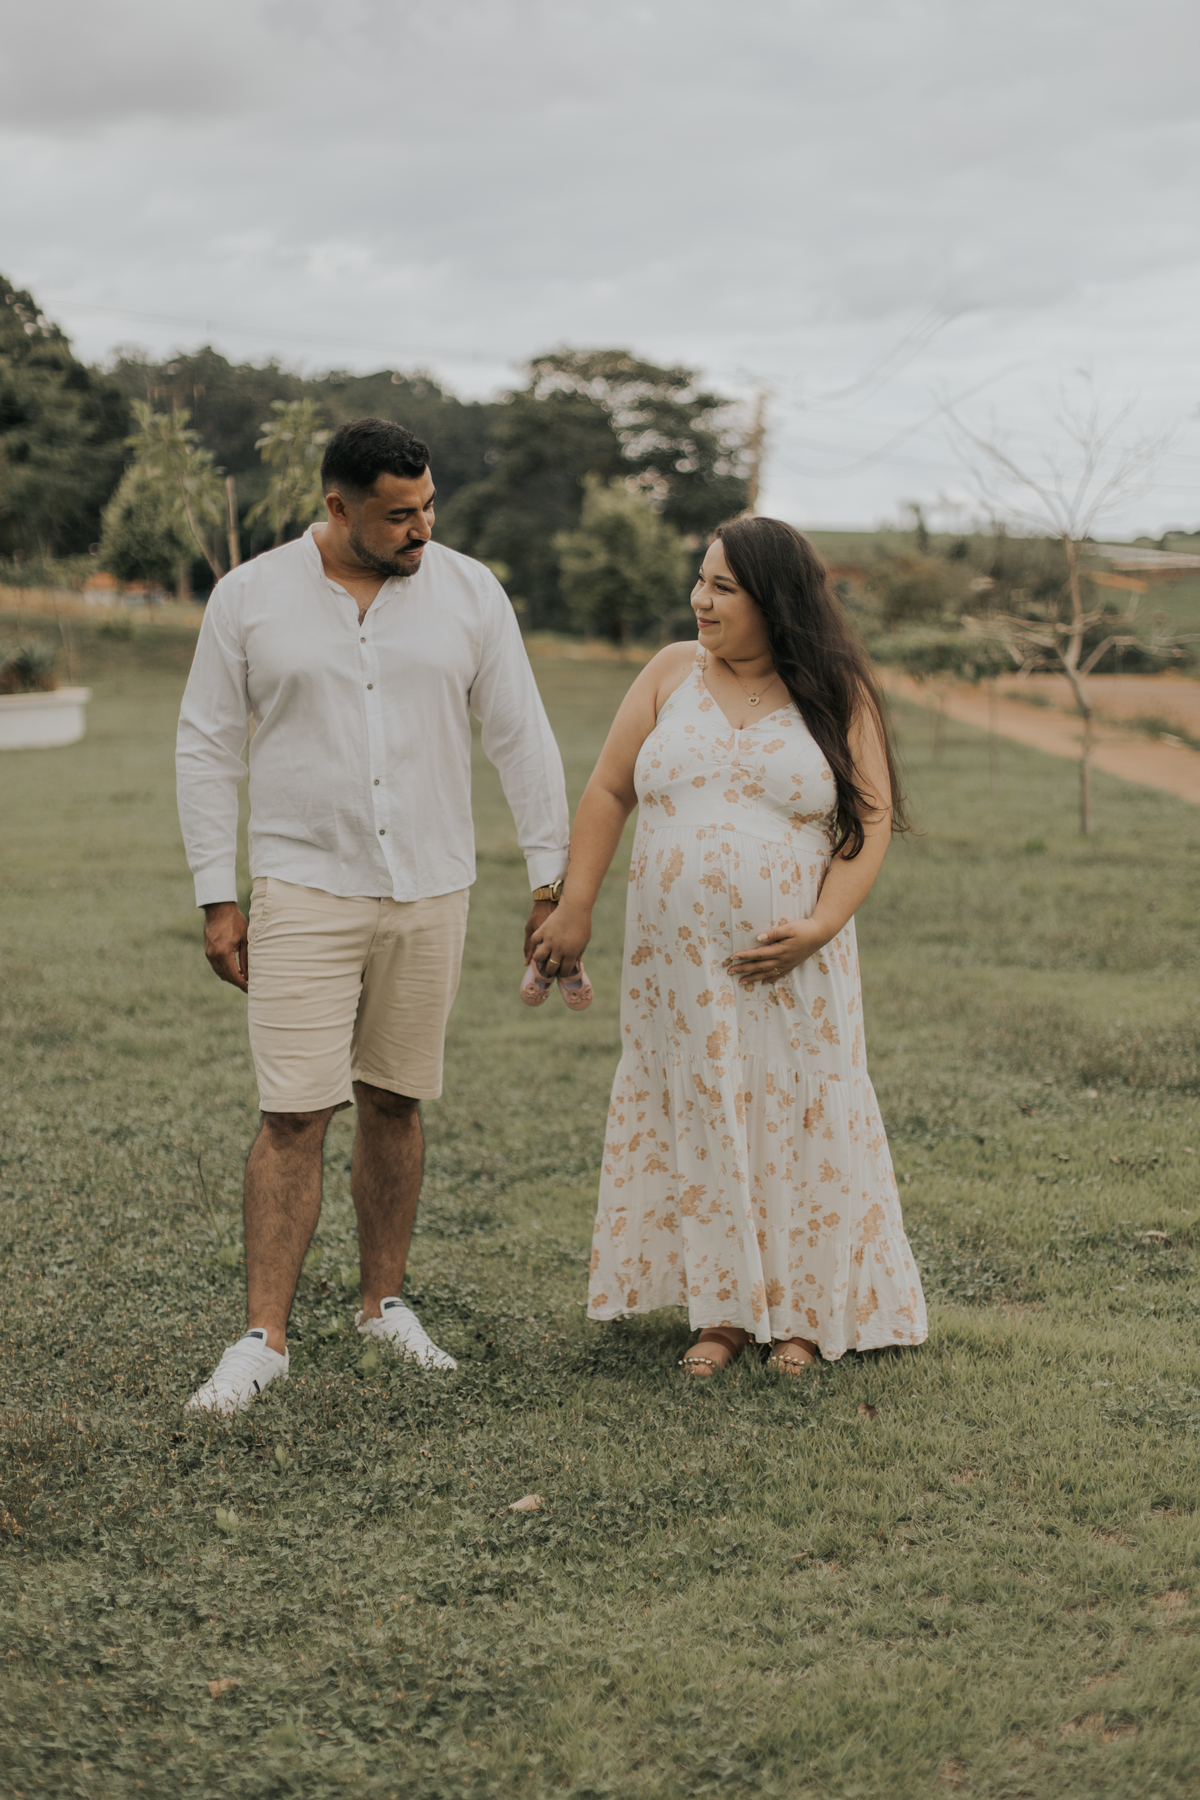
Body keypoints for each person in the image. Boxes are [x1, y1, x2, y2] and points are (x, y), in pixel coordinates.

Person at [176, 417, 569, 1413]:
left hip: (431, 887)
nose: (421, 528)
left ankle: (382, 1306)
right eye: (398, 515)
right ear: (338, 506)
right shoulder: (250, 597)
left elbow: (522, 737)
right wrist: (217, 896)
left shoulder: (471, 593)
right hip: (304, 885)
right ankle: (263, 1340)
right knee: (292, 1113)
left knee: (395, 1100)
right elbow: (207, 746)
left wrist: (550, 883)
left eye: (429, 506)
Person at [531, 516, 927, 1374]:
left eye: (722, 588)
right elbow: (608, 790)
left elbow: (869, 820)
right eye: (700, 581)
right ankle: (724, 1313)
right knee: (706, 1110)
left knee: (796, 1111)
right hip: (674, 970)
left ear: (774, 602)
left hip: (794, 965)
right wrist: (573, 905)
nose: (699, 601)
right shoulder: (670, 673)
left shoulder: (837, 691)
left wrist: (820, 926)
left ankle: (805, 1317)